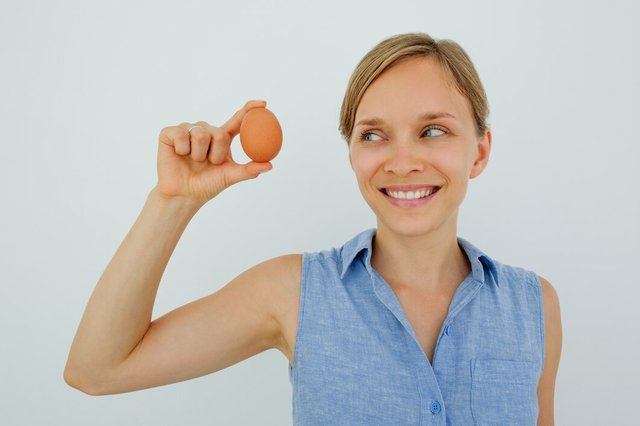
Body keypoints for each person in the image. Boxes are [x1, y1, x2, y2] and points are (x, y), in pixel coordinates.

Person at [64, 33, 562, 425]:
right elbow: (97, 370)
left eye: (433, 131)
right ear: (353, 155)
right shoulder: (292, 293)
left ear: (479, 151)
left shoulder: (534, 306)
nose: (402, 160)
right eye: (374, 134)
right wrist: (172, 202)